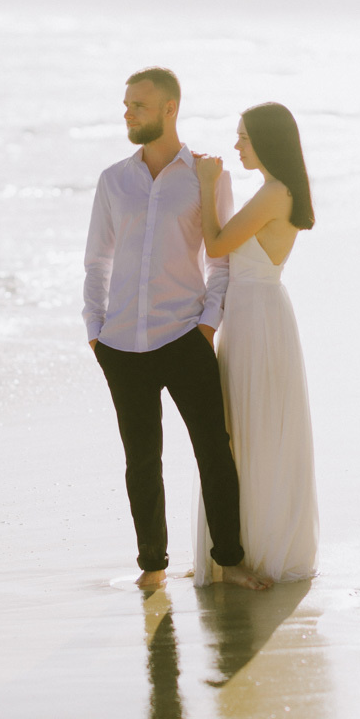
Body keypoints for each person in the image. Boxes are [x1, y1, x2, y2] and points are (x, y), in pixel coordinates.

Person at [84, 68, 269, 591]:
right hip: (120, 344)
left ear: (169, 109)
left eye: (138, 105)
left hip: (184, 336)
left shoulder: (206, 175)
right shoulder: (113, 180)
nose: (127, 114)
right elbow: (96, 260)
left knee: (214, 450)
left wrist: (208, 324)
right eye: (125, 105)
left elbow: (222, 257)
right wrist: (95, 329)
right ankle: (153, 568)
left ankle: (230, 561)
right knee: (141, 462)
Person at [193, 103, 319, 584]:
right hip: (254, 316)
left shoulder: (274, 193)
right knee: (247, 427)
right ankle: (242, 543)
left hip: (257, 319)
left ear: (265, 141)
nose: (237, 145)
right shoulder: (275, 191)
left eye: (243, 137)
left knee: (252, 428)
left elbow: (218, 245)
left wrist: (207, 188)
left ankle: (257, 548)